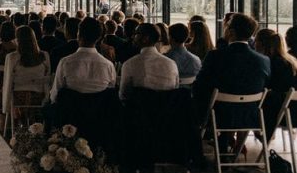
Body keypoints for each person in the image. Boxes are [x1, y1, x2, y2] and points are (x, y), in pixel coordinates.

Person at [193, 13, 270, 152]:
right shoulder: (263, 60)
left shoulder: (216, 56)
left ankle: (194, 153)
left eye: (227, 26)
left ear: (232, 32)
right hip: (250, 115)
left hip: (218, 115)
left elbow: (199, 85)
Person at [50, 17, 116, 102]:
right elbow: (110, 94)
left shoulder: (65, 63)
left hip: (71, 113)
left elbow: (54, 96)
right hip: (98, 113)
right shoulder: (108, 65)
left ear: (78, 35)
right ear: (98, 38)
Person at [2, 25, 50, 123]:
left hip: (18, 99)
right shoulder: (44, 56)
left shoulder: (11, 57)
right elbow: (47, 79)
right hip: (39, 98)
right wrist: (47, 98)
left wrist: (6, 107)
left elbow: (8, 82)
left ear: (17, 39)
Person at [255, 29, 297, 141]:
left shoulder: (271, 63)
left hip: (279, 114)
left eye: (256, 41)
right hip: (292, 111)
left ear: (262, 44)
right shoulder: (291, 61)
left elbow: (263, 87)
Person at [119, 23, 179, 101]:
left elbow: (123, 95)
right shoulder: (171, 64)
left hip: (139, 111)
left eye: (136, 34)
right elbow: (175, 89)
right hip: (166, 110)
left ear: (145, 38)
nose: (132, 37)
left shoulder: (129, 64)